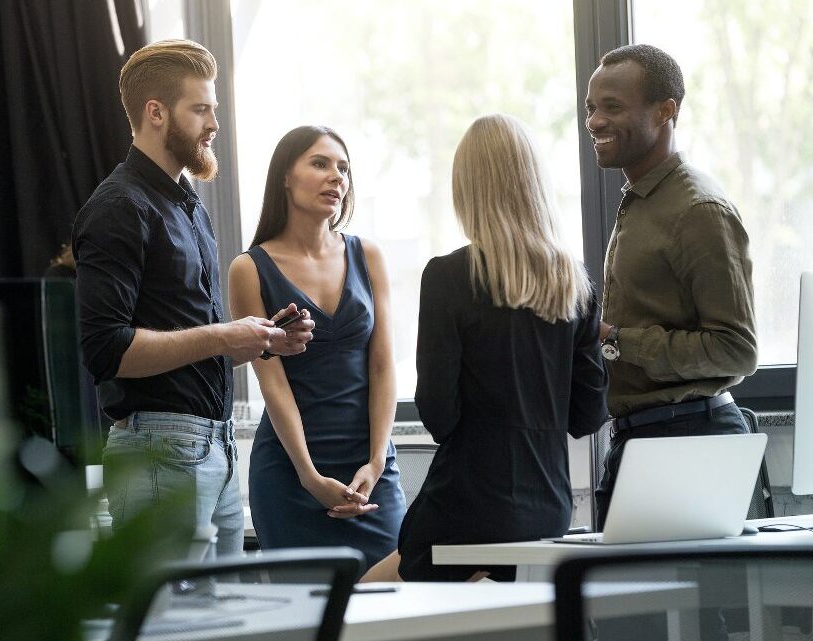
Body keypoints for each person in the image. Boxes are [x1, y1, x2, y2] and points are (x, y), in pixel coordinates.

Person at [72, 40, 314, 557]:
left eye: (214, 110)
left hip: (214, 448)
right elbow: (105, 350)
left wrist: (259, 339)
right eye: (200, 109)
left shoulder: (188, 207)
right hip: (160, 450)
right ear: (155, 113)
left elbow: (189, 336)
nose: (213, 124)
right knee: (171, 629)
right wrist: (225, 335)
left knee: (218, 627)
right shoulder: (117, 208)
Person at [362, 114, 608, 582]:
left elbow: (438, 415)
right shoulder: (575, 284)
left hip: (466, 512)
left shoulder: (448, 277)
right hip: (548, 513)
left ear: (467, 189)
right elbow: (588, 416)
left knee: (355, 609)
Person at [584, 44, 758, 528]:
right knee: (624, 604)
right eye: (591, 108)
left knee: (689, 606)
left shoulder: (698, 210)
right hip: (639, 442)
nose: (595, 121)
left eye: (612, 107)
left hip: (689, 444)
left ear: (666, 111)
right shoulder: (640, 201)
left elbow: (736, 350)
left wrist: (615, 341)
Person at [227, 125, 405, 570]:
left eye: (343, 168)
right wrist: (308, 475)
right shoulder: (249, 269)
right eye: (320, 164)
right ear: (285, 176)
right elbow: (272, 382)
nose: (337, 178)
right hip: (291, 473)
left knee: (396, 606)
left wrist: (377, 461)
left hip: (371, 468)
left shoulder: (369, 255)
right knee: (311, 620)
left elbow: (383, 366)